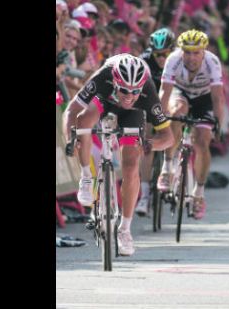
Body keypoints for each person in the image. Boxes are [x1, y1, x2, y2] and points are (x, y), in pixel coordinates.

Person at [62, 54, 174, 256]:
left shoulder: (147, 91)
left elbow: (168, 137)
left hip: (133, 114)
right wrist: (71, 138)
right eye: (124, 90)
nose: (129, 96)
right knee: (83, 120)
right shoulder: (103, 76)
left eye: (135, 92)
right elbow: (70, 111)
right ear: (115, 81)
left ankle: (125, 230)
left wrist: (149, 144)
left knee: (131, 165)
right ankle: (87, 177)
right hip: (104, 100)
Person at [157, 30, 226, 220]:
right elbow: (164, 92)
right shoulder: (173, 60)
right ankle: (167, 167)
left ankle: (199, 194)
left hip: (204, 99)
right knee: (177, 112)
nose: (191, 57)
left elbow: (217, 98)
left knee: (202, 142)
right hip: (181, 94)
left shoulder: (212, 63)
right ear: (181, 51)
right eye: (187, 52)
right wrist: (160, 120)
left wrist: (219, 123)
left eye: (196, 52)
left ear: (204, 51)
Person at [135, 28, 176, 216]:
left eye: (165, 54)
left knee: (177, 123)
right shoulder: (144, 61)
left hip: (174, 98)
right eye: (158, 54)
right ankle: (144, 195)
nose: (161, 58)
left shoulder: (179, 60)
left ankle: (174, 167)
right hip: (150, 100)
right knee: (148, 141)